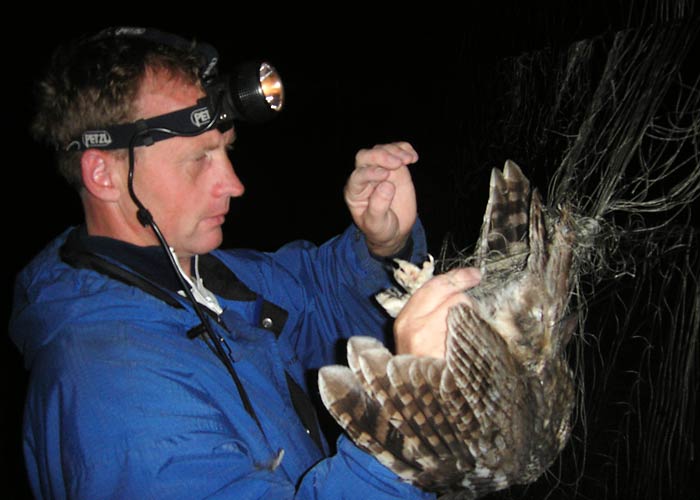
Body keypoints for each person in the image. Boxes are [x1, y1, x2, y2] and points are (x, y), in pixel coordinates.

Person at [10, 27, 481, 499]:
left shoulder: (203, 274)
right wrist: (410, 421)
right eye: (198, 160)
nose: (234, 184)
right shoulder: (112, 392)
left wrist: (384, 247)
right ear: (104, 175)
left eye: (226, 151)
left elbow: (320, 303)